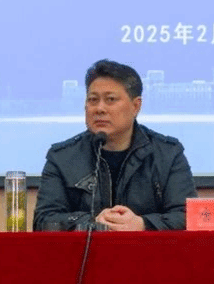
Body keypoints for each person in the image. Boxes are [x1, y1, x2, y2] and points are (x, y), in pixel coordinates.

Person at [33, 59, 197, 231]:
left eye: (110, 99)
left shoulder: (168, 154)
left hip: (146, 248)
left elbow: (188, 217)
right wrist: (93, 222)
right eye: (93, 100)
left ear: (136, 106)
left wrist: (142, 224)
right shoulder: (62, 157)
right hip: (87, 249)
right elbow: (43, 221)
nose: (100, 109)